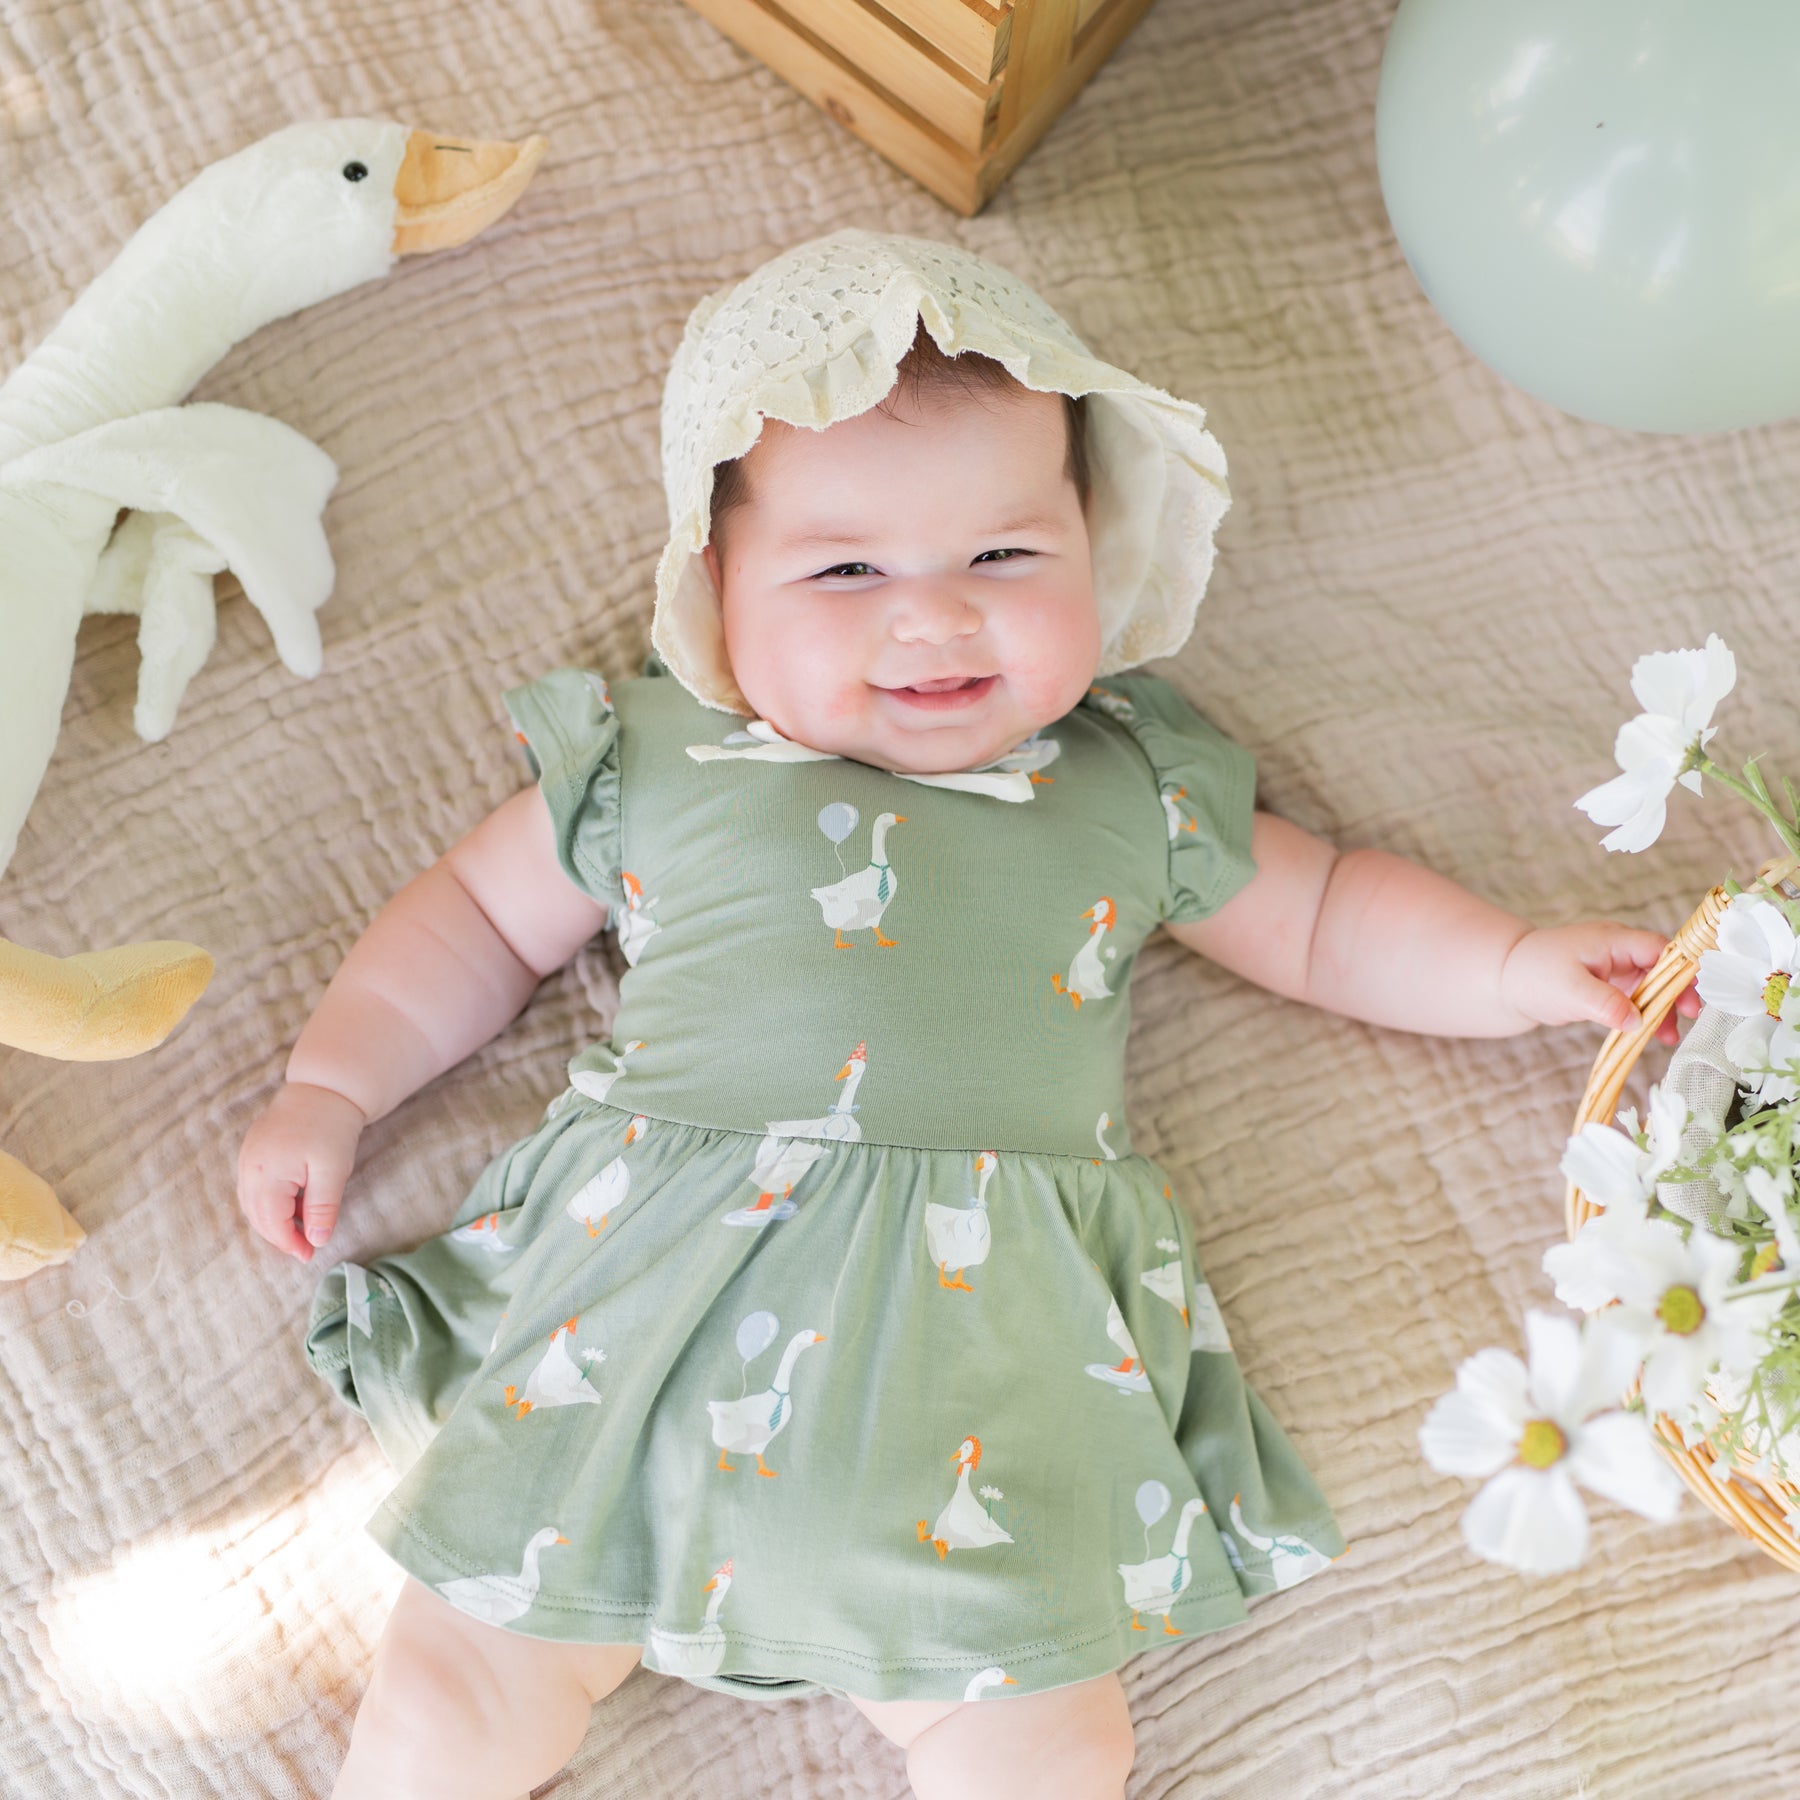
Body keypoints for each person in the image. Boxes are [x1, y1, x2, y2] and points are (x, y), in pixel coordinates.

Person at [238, 232, 1691, 1800]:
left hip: (984, 1380)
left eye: (1004, 560)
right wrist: (335, 1079)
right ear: (718, 591)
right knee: (461, 1674)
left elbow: (1330, 917)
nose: (932, 622)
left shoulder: (1128, 783)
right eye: (846, 569)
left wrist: (1514, 962)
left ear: (1096, 550)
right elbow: (465, 926)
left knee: (1047, 1736)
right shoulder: (662, 763)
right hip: (643, 1319)